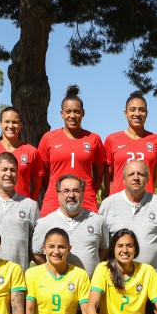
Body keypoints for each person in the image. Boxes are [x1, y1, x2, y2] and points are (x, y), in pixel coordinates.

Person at [38, 85, 107, 216]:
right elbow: (44, 174)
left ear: (83, 113)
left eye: (76, 111)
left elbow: (98, 176)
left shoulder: (94, 139)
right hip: (54, 200)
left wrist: (85, 191)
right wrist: (57, 190)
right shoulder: (49, 138)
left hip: (85, 201)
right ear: (61, 114)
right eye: (68, 111)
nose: (72, 116)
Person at [98, 160, 157, 272]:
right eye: (131, 174)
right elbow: (102, 242)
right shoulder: (108, 204)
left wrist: (151, 254)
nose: (136, 178)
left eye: (141, 174)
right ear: (123, 180)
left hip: (153, 275)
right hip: (117, 276)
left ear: (148, 179)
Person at [31, 174, 109, 277]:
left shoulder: (97, 221)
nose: (71, 195)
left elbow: (103, 249)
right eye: (66, 191)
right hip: (58, 288)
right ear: (58, 194)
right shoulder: (45, 223)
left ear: (83, 194)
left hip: (90, 288)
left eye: (76, 191)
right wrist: (54, 271)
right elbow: (36, 253)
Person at [103, 91, 157, 195]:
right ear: (125, 113)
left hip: (146, 201)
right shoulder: (112, 139)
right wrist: (113, 197)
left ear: (147, 113)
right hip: (118, 202)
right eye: (133, 110)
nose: (137, 114)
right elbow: (107, 176)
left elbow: (156, 177)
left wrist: (147, 192)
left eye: (141, 110)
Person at [0, 107, 44, 200]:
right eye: (7, 122)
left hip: (21, 209)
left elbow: (37, 187)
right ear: (0, 124)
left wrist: (28, 204)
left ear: (20, 125)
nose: (11, 126)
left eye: (15, 122)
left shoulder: (32, 152)